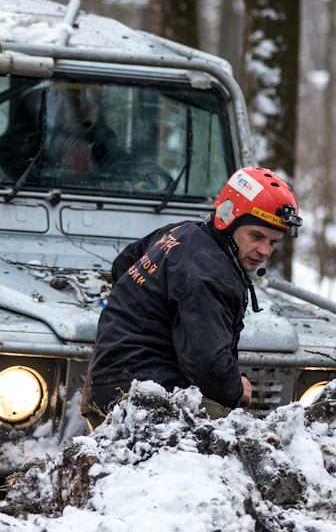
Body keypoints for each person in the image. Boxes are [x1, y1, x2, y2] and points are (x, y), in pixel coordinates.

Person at [80, 166, 302, 427]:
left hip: (106, 387)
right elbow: (206, 363)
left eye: (273, 242)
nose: (264, 250)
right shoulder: (211, 274)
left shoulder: (181, 233)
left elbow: (123, 265)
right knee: (231, 441)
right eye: (256, 236)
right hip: (140, 401)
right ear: (229, 219)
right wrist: (236, 391)